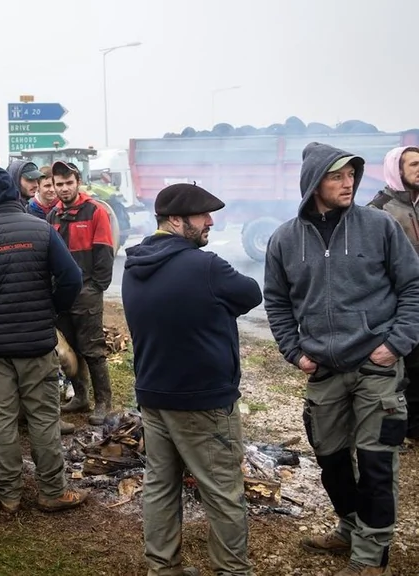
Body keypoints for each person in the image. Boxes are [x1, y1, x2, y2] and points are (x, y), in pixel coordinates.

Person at [265, 143, 419, 576]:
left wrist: (397, 343)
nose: (348, 182)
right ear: (314, 183)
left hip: (377, 368)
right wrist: (294, 352)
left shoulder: (380, 226)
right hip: (325, 371)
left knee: (375, 463)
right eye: (336, 176)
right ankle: (349, 527)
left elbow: (412, 287)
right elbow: (276, 302)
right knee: (331, 460)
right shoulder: (284, 238)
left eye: (351, 174)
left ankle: (371, 558)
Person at [124, 183, 260, 576]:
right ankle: (232, 572)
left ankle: (162, 568)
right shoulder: (207, 266)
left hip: (153, 395)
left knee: (160, 486)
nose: (211, 222)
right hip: (203, 401)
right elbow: (250, 294)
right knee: (222, 493)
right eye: (203, 216)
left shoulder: (135, 265)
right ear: (176, 220)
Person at [0, 166, 85, 514]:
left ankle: (8, 493)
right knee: (43, 417)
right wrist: (52, 309)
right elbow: (71, 277)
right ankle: (52, 490)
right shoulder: (41, 230)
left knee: (2, 417)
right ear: (13, 192)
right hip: (37, 343)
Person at [47, 160, 115, 424]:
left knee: (92, 348)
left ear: (78, 182)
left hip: (87, 291)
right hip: (62, 293)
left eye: (68, 183)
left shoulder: (95, 211)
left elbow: (104, 252)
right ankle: (81, 396)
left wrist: (96, 286)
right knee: (71, 348)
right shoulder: (53, 215)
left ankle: (104, 403)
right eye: (59, 184)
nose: (64, 189)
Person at [368, 146, 419, 439]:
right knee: (403, 373)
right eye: (413, 164)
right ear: (396, 170)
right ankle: (402, 432)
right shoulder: (379, 210)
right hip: (399, 306)